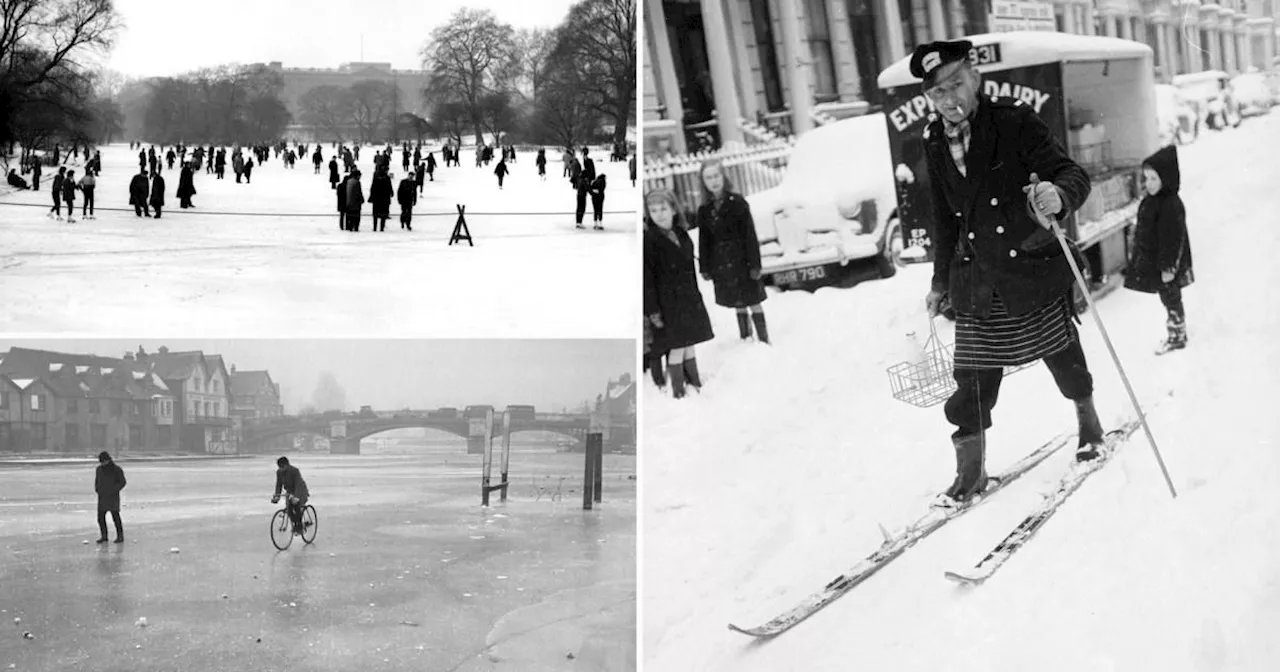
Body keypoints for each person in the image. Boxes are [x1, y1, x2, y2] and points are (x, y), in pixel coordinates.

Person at [910, 39, 1101, 504]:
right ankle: (970, 472)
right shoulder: (934, 140)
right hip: (975, 278)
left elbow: (1069, 172)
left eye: (956, 84)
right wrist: (939, 281)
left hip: (1027, 267)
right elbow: (944, 217)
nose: (950, 99)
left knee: (1062, 357)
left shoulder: (1012, 120)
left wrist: (1058, 195)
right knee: (972, 378)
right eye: (938, 93)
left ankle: (1089, 423)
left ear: (974, 76)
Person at [1124, 145, 1194, 354]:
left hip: (1166, 264)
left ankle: (1177, 334)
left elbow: (1173, 239)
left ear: (1167, 178)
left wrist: (1168, 267)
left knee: (1171, 296)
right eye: (1146, 178)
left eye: (1154, 179)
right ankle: (1176, 328)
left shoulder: (1171, 204)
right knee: (1167, 296)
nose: (1148, 184)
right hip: (1158, 261)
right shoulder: (1153, 200)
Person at [644, 189, 714, 399]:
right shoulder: (650, 241)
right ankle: (678, 391)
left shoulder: (682, 234)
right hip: (668, 304)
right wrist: (653, 310)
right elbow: (647, 279)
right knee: (676, 347)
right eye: (653, 210)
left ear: (674, 209)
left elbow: (689, 270)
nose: (659, 214)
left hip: (688, 299)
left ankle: (694, 381)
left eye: (663, 209)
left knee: (689, 343)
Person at [696, 159, 770, 343]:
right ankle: (745, 336)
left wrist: (754, 264)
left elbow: (749, 235)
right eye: (708, 178)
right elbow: (704, 240)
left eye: (716, 176)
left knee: (753, 299)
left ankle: (763, 338)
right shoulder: (704, 210)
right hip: (722, 262)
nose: (713, 181)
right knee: (737, 300)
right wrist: (705, 267)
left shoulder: (737, 202)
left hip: (743, 260)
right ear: (703, 182)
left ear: (723, 176)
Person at [271, 457, 310, 535]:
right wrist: (277, 496)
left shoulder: (294, 471)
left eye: (283, 467)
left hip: (300, 491)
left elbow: (298, 483)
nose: (281, 469)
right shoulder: (279, 472)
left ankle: (299, 528)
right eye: (280, 467)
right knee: (289, 509)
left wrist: (296, 497)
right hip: (290, 491)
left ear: (287, 465)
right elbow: (279, 484)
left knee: (296, 506)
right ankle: (295, 524)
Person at [95, 451, 127, 544]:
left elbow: (122, 482)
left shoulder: (116, 469)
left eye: (103, 461)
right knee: (100, 518)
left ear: (108, 460)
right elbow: (97, 481)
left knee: (115, 516)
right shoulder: (99, 470)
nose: (102, 464)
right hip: (102, 496)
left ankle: (120, 536)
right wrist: (98, 490)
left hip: (113, 497)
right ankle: (104, 536)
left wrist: (114, 490)